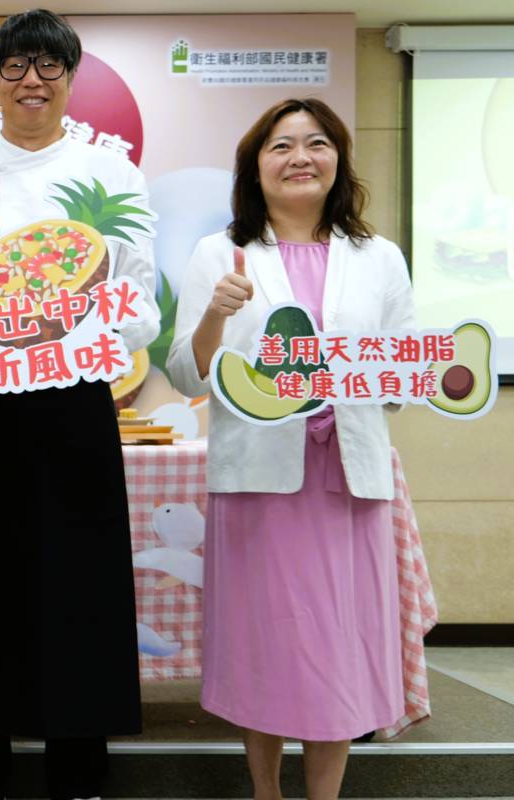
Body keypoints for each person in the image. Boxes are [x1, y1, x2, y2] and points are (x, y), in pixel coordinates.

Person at [0, 10, 159, 800]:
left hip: (76, 400)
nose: (32, 80)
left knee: (78, 584)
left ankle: (78, 769)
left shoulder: (112, 176)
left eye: (49, 65)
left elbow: (143, 310)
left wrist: (75, 307)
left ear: (71, 80)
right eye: (15, 67)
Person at [166, 98, 413, 800]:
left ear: (338, 159)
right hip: (259, 480)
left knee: (340, 645)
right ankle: (266, 790)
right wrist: (216, 312)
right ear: (255, 166)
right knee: (265, 643)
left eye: (316, 143)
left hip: (347, 478)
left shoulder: (379, 257)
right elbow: (188, 371)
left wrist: (383, 375)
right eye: (281, 145)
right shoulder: (219, 252)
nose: (300, 156)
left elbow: (399, 380)